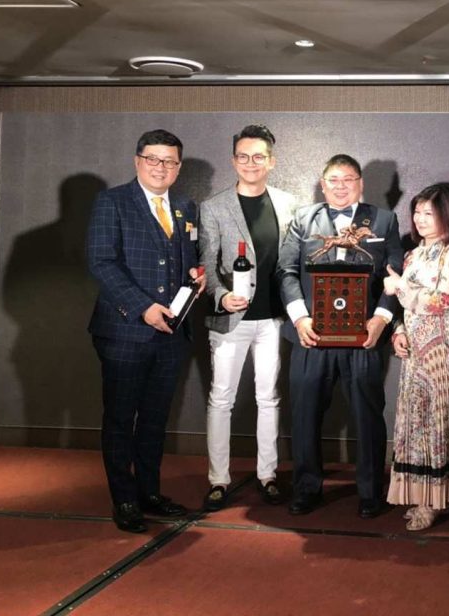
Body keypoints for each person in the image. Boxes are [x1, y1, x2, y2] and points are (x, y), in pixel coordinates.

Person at [86, 129, 205, 533]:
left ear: (178, 167)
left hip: (171, 333)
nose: (161, 167)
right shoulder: (112, 201)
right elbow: (101, 262)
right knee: (121, 419)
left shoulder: (185, 207)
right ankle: (124, 499)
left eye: (169, 161)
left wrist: (197, 276)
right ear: (138, 161)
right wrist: (143, 308)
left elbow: (187, 259)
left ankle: (149, 493)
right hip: (124, 331)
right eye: (153, 159)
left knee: (155, 419)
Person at [277, 154, 403, 519]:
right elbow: (285, 271)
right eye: (333, 179)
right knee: (304, 415)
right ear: (322, 184)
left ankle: (370, 492)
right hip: (311, 335)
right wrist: (300, 318)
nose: (341, 186)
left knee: (367, 416)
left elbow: (395, 273)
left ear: (360, 183)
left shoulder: (383, 220)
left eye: (348, 179)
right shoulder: (303, 219)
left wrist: (381, 319)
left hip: (363, 335)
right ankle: (306, 488)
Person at [198, 124, 298, 511]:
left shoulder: (289, 204)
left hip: (273, 321)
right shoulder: (213, 207)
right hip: (231, 322)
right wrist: (221, 296)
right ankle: (218, 480)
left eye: (258, 156)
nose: (250, 163)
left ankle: (267, 475)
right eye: (243, 156)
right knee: (221, 400)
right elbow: (206, 265)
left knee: (268, 398)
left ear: (271, 161)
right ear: (233, 160)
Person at [383, 182, 449, 531]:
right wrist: (398, 331)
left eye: (430, 212)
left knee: (441, 422)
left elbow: (443, 301)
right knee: (419, 425)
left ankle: (436, 501)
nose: (421, 218)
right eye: (418, 211)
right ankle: (423, 495)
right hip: (416, 355)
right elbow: (405, 307)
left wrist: (400, 287)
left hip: (447, 352)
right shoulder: (413, 255)